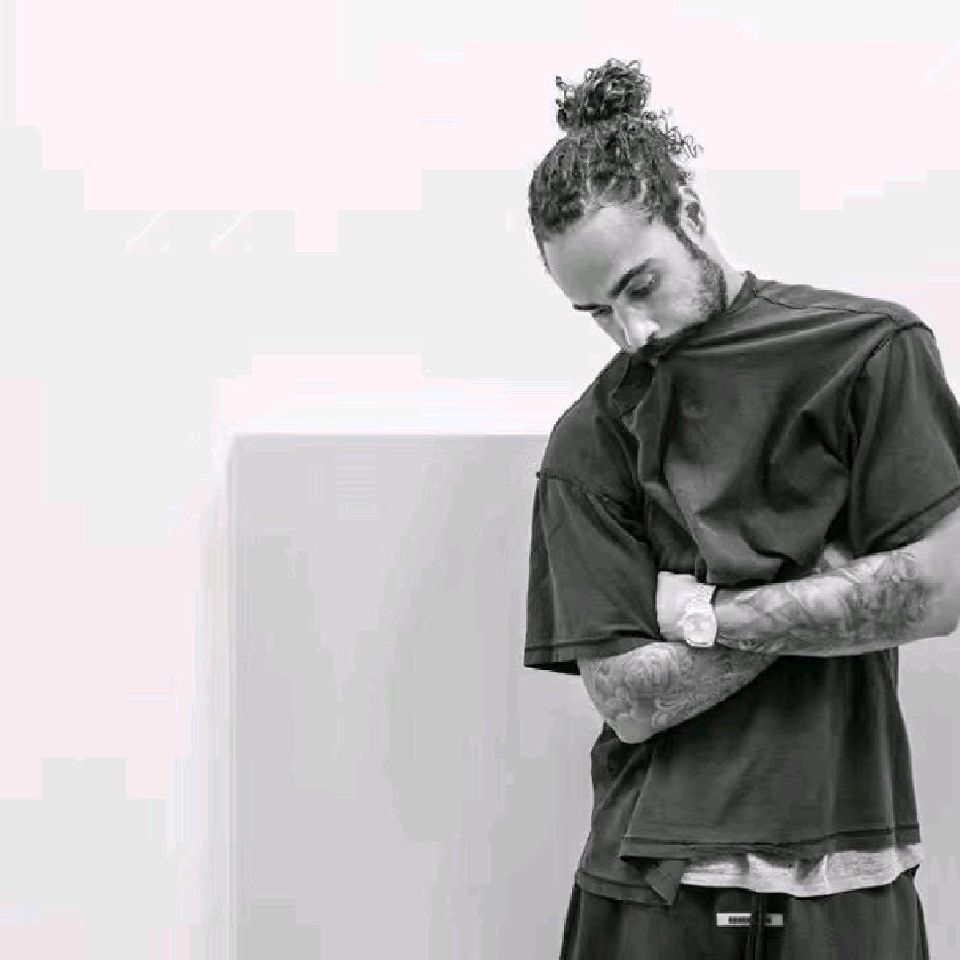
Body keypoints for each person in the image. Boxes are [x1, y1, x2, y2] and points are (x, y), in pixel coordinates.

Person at [523, 57, 960, 959]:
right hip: (653, 882)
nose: (633, 333)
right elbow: (627, 697)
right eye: (596, 312)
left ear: (688, 213)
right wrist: (828, 580)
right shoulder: (590, 439)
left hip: (850, 868)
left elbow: (940, 589)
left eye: (639, 287)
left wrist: (703, 613)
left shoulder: (869, 352)